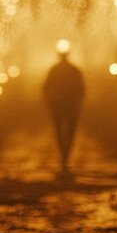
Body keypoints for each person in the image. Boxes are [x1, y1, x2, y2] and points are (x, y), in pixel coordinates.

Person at [42, 47, 85, 175]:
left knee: (59, 131)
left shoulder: (54, 70)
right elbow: (82, 88)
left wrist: (49, 100)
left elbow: (45, 87)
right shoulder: (74, 70)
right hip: (71, 105)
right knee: (71, 131)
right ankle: (66, 155)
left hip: (58, 105)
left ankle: (63, 155)